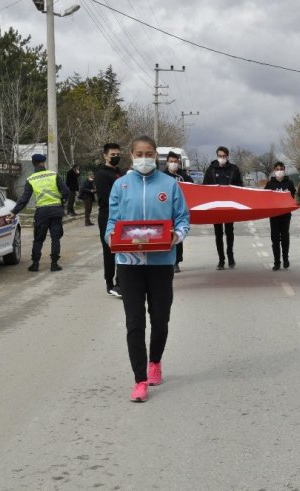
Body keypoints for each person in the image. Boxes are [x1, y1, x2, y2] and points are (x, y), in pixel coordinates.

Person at [105, 135, 190, 402]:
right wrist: (112, 238)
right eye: (139, 153)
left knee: (160, 318)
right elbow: (112, 222)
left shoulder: (170, 185)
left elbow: (183, 219)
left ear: (156, 156)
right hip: (129, 264)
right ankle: (139, 379)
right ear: (132, 156)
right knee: (134, 323)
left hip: (161, 263)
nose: (145, 157)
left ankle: (155, 362)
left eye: (149, 153)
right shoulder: (121, 186)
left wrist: (174, 236)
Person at [6, 154, 69, 272]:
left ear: (33, 164)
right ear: (43, 163)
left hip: (41, 212)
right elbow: (66, 191)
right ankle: (54, 264)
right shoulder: (53, 175)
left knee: (38, 239)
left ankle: (35, 264)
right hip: (56, 210)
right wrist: (62, 201)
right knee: (55, 238)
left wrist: (14, 212)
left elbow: (24, 199)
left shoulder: (31, 179)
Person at [202, 146, 243, 269]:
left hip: (230, 206)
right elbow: (204, 187)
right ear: (217, 156)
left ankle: (230, 256)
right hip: (216, 206)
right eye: (220, 156)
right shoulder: (210, 169)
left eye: (224, 156)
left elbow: (239, 185)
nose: (222, 158)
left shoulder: (234, 169)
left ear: (228, 156)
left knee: (229, 232)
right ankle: (221, 260)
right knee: (218, 233)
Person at [95, 143, 123, 297]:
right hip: (107, 216)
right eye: (113, 155)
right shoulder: (102, 175)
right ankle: (109, 282)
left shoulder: (121, 172)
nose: (116, 157)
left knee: (122, 249)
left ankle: (120, 282)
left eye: (118, 154)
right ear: (105, 156)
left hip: (123, 217)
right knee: (109, 250)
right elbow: (107, 198)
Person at [164, 151, 194, 273]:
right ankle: (167, 260)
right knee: (166, 235)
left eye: (175, 162)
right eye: (171, 161)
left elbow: (193, 188)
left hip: (179, 211)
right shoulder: (162, 176)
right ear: (167, 163)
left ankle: (177, 261)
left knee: (178, 235)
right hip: (165, 211)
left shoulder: (183, 176)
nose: (173, 164)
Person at [264, 161, 296, 270]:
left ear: (284, 169)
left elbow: (293, 196)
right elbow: (265, 198)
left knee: (285, 237)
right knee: (275, 238)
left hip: (286, 215)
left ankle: (285, 258)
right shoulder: (270, 184)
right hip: (274, 215)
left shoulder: (289, 183)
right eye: (277, 169)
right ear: (274, 170)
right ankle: (277, 261)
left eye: (281, 169)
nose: (279, 171)